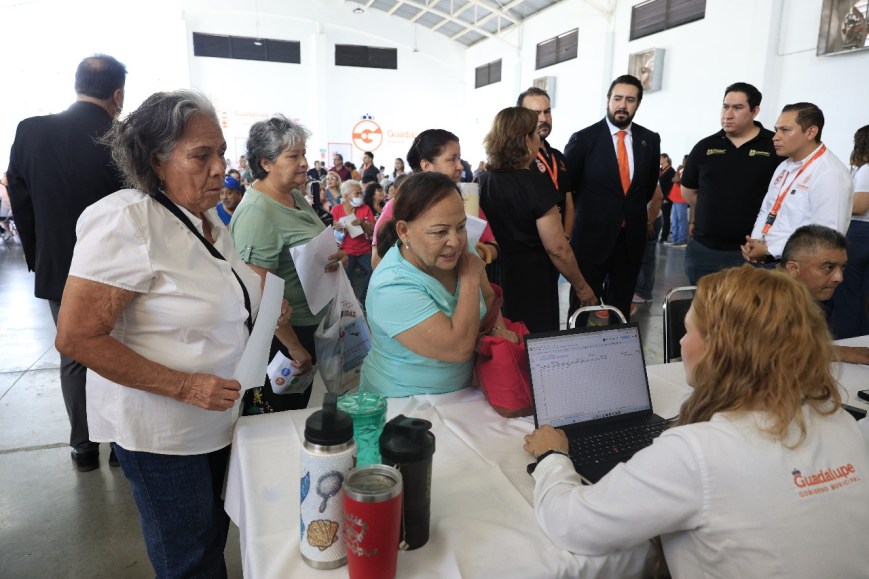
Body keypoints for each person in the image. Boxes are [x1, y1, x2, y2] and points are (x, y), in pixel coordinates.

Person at [54, 89, 279, 577]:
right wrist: (186, 386)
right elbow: (76, 337)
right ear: (155, 161)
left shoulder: (207, 221)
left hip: (216, 417)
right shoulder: (128, 220)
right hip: (165, 434)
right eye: (201, 156)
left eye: (221, 152)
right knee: (189, 558)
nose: (220, 167)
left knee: (213, 536)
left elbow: (219, 288)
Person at [523, 265, 869, 578]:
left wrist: (553, 458)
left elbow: (573, 525)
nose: (680, 341)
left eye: (689, 331)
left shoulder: (698, 453)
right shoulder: (840, 421)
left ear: (721, 349)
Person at [6, 54, 127, 472]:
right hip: (120, 268)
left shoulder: (30, 130)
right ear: (117, 94)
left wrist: (41, 255)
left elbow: (20, 198)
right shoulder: (122, 136)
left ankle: (83, 446)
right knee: (121, 349)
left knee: (73, 354)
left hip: (59, 266)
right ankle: (119, 446)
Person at [361, 172, 515, 397]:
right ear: (404, 231)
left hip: (465, 393)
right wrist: (470, 279)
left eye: (461, 227)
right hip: (404, 403)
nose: (455, 241)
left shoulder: (457, 250)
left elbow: (489, 298)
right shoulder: (391, 286)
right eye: (439, 232)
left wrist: (499, 331)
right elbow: (458, 347)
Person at [230, 114, 345, 413]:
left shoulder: (293, 195)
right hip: (281, 337)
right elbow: (259, 290)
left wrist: (333, 254)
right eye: (293, 156)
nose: (304, 162)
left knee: (296, 408)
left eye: (304, 153)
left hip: (309, 324)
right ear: (265, 163)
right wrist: (293, 346)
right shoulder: (257, 211)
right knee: (276, 415)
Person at [479, 107, 596, 332]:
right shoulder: (536, 183)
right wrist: (582, 287)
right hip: (532, 279)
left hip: (494, 274)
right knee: (535, 346)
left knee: (503, 342)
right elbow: (558, 248)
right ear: (526, 140)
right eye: (536, 135)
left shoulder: (483, 181)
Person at [563, 74, 662, 323]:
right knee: (582, 306)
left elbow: (647, 187)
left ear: (638, 104)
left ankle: (617, 357)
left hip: (629, 240)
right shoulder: (583, 139)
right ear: (608, 100)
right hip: (590, 240)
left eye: (630, 100)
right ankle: (574, 354)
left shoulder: (649, 140)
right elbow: (567, 191)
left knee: (621, 308)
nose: (623, 105)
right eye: (618, 98)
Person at [680, 83, 784, 283]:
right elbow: (689, 192)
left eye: (737, 108)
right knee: (703, 310)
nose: (728, 114)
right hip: (704, 250)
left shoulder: (774, 147)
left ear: (755, 111)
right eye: (725, 106)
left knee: (748, 312)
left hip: (751, 252)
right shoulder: (705, 147)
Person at [742, 102, 853, 264]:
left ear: (811, 132)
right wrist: (756, 242)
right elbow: (767, 209)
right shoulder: (784, 166)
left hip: (799, 266)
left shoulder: (830, 173)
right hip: (767, 259)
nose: (775, 137)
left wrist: (770, 250)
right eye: (776, 130)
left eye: (785, 130)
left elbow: (826, 237)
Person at [371, 129, 499, 268]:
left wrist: (475, 254)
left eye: (459, 159)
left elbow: (493, 245)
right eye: (452, 159)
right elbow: (377, 263)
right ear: (426, 165)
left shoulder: (466, 201)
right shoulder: (397, 206)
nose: (460, 166)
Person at [781, 225, 869, 363]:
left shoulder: (819, 297)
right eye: (828, 267)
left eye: (843, 267)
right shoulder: (759, 301)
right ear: (793, 269)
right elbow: (772, 352)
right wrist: (842, 353)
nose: (839, 278)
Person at [518, 86, 573, 235]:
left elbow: (568, 201)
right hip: (531, 245)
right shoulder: (517, 159)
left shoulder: (559, 157)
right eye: (536, 113)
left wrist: (567, 237)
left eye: (547, 111)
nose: (543, 118)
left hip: (560, 244)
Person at [832, 125, 869, 338]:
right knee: (864, 295)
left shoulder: (866, 170)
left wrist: (838, 199)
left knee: (849, 293)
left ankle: (845, 340)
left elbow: (860, 205)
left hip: (860, 232)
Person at [331, 179, 375, 304]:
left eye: (361, 193)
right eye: (357, 194)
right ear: (346, 195)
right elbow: (332, 235)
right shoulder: (336, 210)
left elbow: (372, 231)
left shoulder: (365, 208)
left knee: (374, 269)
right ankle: (349, 304)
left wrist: (361, 223)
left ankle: (363, 299)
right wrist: (338, 227)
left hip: (364, 250)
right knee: (345, 277)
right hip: (346, 251)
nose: (360, 196)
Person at [657, 153, 675, 245]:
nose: (659, 159)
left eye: (660, 158)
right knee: (656, 217)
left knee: (665, 218)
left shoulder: (671, 171)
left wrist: (667, 198)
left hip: (666, 199)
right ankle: (656, 234)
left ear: (666, 158)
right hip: (658, 198)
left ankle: (664, 237)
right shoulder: (659, 170)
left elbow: (672, 186)